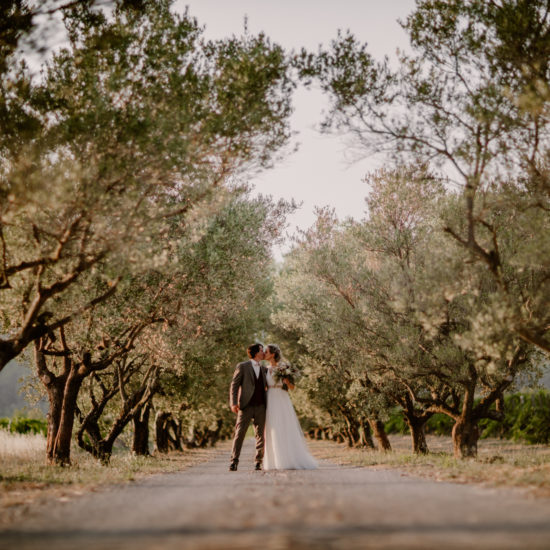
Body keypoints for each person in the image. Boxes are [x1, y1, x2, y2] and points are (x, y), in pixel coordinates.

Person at [263, 344, 318, 470]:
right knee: (272, 427)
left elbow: (292, 388)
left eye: (266, 351)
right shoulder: (265, 369)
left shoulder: (283, 367)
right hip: (270, 397)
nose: (264, 354)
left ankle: (288, 459)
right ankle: (273, 461)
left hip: (281, 397)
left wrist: (286, 380)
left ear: (272, 354)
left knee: (284, 425)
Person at [229, 343, 267, 471]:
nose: (264, 353)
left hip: (261, 406)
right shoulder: (243, 366)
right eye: (262, 350)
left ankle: (258, 461)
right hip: (245, 406)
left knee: (260, 435)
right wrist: (233, 403)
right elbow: (234, 385)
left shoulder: (264, 369)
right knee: (239, 434)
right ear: (256, 352)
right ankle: (234, 461)